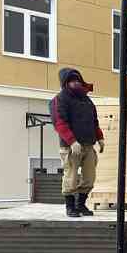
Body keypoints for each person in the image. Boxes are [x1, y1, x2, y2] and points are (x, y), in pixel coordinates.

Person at [50, 68, 104, 218]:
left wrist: (100, 137)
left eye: (78, 80)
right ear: (65, 83)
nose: (76, 83)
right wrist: (72, 141)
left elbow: (94, 121)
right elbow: (59, 123)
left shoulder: (87, 100)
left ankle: (81, 205)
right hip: (70, 146)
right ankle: (70, 207)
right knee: (71, 177)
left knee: (89, 178)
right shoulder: (59, 99)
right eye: (72, 80)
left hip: (88, 144)